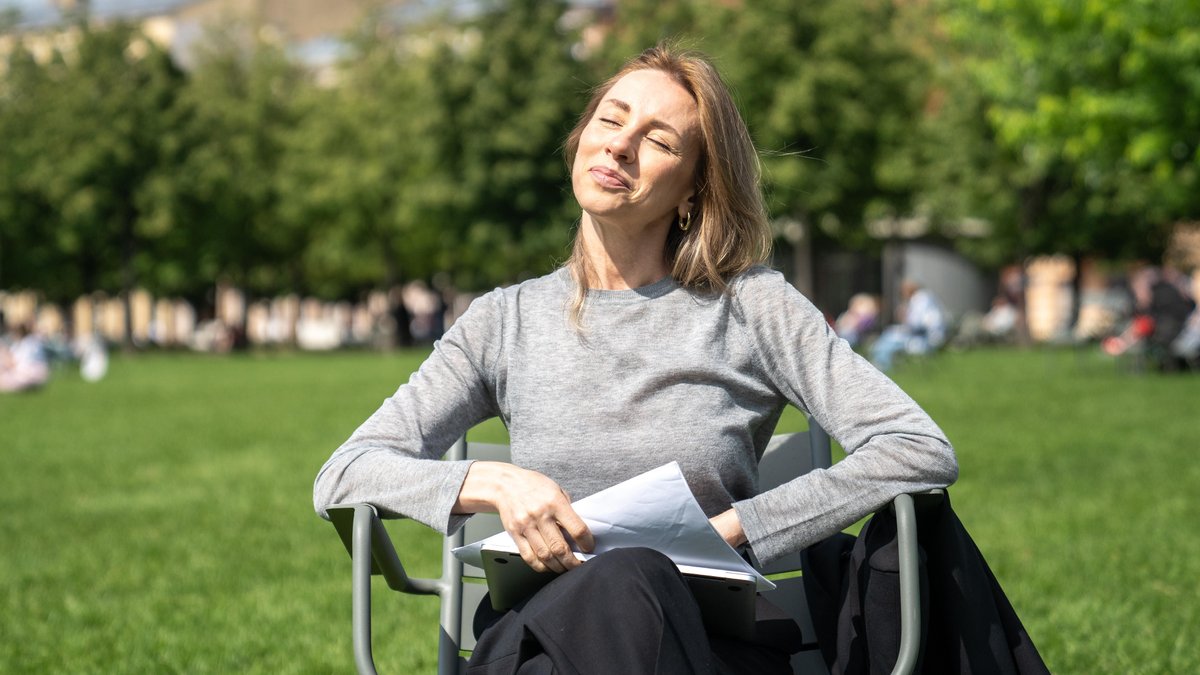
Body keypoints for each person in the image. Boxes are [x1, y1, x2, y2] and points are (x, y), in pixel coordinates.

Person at [314, 44, 957, 673]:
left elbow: (916, 448)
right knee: (618, 582)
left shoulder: (753, 307)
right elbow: (345, 474)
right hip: (540, 640)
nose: (620, 145)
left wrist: (734, 531)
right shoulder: (503, 321)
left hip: (709, 644)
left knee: (633, 574)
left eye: (659, 140)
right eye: (611, 119)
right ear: (581, 139)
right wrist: (495, 483)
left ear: (693, 190)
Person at [870, 279, 948, 371]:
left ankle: (881, 366)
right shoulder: (926, 297)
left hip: (926, 341)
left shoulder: (920, 300)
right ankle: (879, 360)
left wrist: (904, 317)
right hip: (930, 337)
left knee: (890, 337)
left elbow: (918, 324)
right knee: (891, 332)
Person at [0, 323, 50, 393]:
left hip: (27, 372)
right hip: (36, 372)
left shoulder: (25, 344)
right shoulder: (27, 342)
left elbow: (14, 363)